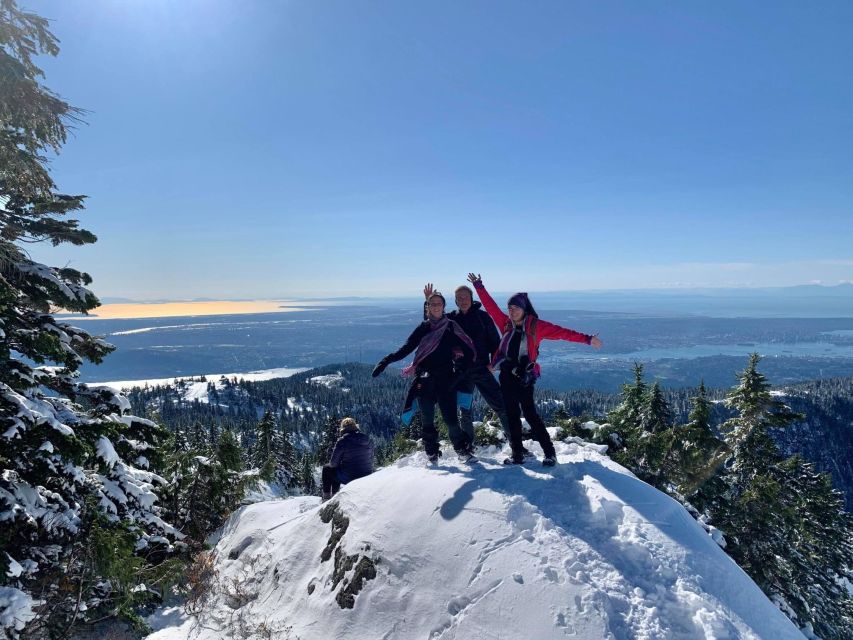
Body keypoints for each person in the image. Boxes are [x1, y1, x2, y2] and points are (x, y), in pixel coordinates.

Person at [467, 273, 603, 467]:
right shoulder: (506, 323)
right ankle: (517, 455)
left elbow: (563, 333)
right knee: (512, 415)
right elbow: (490, 307)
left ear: (524, 309)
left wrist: (588, 339)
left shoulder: (536, 326)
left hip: (525, 377)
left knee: (530, 415)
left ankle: (550, 453)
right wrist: (479, 286)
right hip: (506, 375)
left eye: (516, 308)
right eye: (510, 308)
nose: (512, 311)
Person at [372, 291, 477, 463]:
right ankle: (431, 452)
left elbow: (468, 349)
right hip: (425, 380)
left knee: (450, 419)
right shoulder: (423, 328)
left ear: (444, 306)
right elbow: (406, 348)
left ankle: (462, 450)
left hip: (446, 380)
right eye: (432, 304)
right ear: (427, 307)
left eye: (439, 303)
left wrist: (460, 371)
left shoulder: (451, 327)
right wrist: (386, 361)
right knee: (427, 419)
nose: (435, 306)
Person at [421, 282, 515, 450]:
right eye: (459, 298)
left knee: (501, 406)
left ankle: (516, 445)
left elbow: (495, 343)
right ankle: (467, 447)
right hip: (461, 372)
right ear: (455, 301)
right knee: (465, 411)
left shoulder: (482, 317)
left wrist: (494, 364)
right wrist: (428, 301)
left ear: (471, 298)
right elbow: (432, 324)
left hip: (481, 369)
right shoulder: (451, 319)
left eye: (465, 297)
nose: (463, 300)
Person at [322, 417, 375, 501]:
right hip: (367, 474)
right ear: (355, 427)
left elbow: (333, 463)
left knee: (327, 469)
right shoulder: (367, 439)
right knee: (336, 470)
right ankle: (335, 496)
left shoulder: (342, 441)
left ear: (343, 428)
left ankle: (327, 498)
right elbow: (371, 457)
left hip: (351, 476)